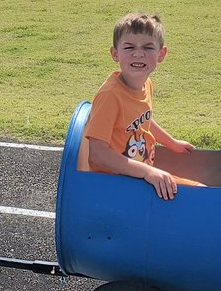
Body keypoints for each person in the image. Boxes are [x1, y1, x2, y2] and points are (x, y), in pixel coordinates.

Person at [79, 11, 203, 200]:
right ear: (115, 54)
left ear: (161, 54)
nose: (138, 53)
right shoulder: (110, 96)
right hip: (114, 184)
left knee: (200, 189)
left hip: (136, 173)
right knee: (201, 193)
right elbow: (98, 154)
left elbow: (142, 120)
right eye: (129, 47)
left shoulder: (146, 84)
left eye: (148, 47)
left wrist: (172, 143)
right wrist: (147, 172)